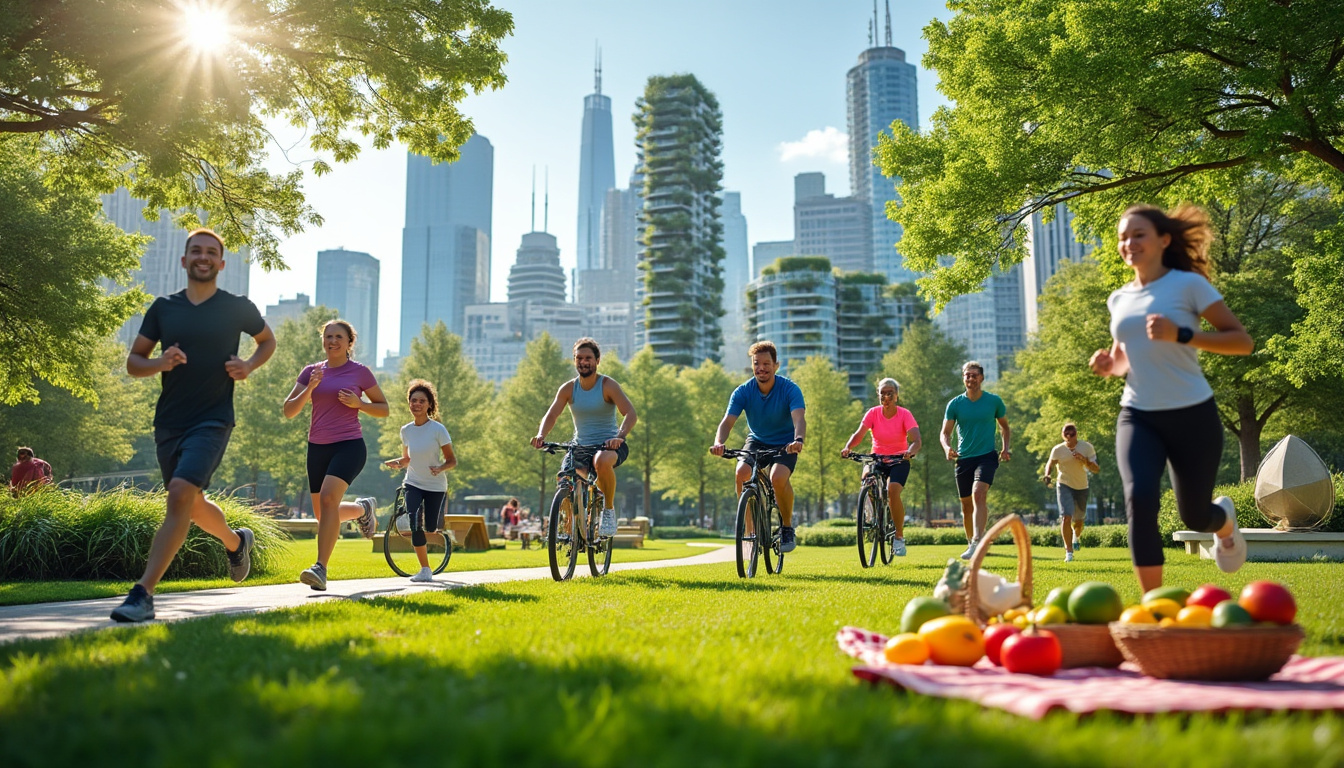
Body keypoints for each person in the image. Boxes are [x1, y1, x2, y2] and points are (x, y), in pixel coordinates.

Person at [111, 228, 276, 623]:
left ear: (221, 262)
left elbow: (267, 341)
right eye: (196, 251)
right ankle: (236, 543)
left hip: (213, 418)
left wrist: (248, 365)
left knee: (180, 492)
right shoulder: (164, 308)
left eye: (211, 252)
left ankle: (143, 594)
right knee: (190, 502)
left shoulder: (237, 307)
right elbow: (134, 362)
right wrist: (160, 363)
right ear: (184, 260)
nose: (204, 257)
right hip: (169, 421)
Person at [1089, 204, 1253, 592]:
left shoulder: (1188, 285)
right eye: (1123, 237)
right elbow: (1123, 360)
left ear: (1164, 240)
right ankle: (1155, 606)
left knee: (1195, 516)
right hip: (1137, 414)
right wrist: (1108, 365)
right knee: (1139, 498)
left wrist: (1182, 334)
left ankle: (1224, 522)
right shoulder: (1119, 299)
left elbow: (1241, 342)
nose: (1129, 243)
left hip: (1192, 414)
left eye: (1138, 235)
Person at [283, 319, 388, 590]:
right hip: (317, 448)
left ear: (349, 342)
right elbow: (289, 410)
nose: (332, 341)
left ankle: (320, 568)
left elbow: (383, 408)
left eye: (338, 336)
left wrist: (359, 404)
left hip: (349, 445)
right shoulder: (311, 372)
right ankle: (363, 509)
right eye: (328, 336)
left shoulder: (360, 373)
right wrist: (310, 388)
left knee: (329, 499)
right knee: (323, 515)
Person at [531, 338, 637, 536]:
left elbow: (630, 414)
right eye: (579, 358)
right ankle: (570, 528)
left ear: (597, 360)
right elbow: (552, 414)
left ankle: (608, 511)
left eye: (588, 358)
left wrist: (619, 437)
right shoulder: (568, 389)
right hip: (580, 446)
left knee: (601, 461)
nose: (583, 362)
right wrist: (541, 435)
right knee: (566, 478)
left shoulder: (607, 385)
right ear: (574, 361)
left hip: (609, 445)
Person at [710, 341, 807, 553]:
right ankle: (750, 531)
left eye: (766, 364)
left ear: (776, 365)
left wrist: (798, 440)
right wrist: (719, 443)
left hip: (786, 443)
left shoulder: (790, 389)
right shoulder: (743, 391)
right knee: (741, 473)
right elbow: (727, 422)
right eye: (756, 363)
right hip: (757, 440)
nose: (761, 368)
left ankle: (787, 527)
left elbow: (799, 419)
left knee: (777, 478)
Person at [383, 379, 456, 583]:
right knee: (414, 520)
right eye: (413, 400)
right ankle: (425, 569)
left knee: (430, 528)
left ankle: (439, 532)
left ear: (429, 404)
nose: (417, 404)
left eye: (421, 401)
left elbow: (452, 460)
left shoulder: (438, 429)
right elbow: (407, 458)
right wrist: (398, 463)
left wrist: (440, 468)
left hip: (435, 486)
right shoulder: (406, 430)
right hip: (413, 482)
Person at [841, 378, 922, 557]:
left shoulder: (904, 414)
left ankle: (898, 537)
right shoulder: (873, 413)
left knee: (893, 490)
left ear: (896, 395)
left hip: (899, 459)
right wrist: (848, 447)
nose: (886, 397)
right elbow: (859, 434)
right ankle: (871, 512)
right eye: (882, 393)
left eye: (890, 393)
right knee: (866, 478)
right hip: (877, 458)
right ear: (878, 395)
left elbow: (916, 440)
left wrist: (910, 451)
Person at [940, 361, 1011, 560]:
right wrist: (947, 448)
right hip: (964, 458)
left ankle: (978, 540)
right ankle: (971, 543)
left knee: (978, 494)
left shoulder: (994, 401)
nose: (970, 378)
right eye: (967, 375)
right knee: (966, 506)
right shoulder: (955, 404)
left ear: (981, 378)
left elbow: (1005, 427)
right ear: (963, 378)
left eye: (974, 375)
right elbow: (945, 433)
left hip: (986, 456)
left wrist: (1005, 448)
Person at [1042, 423, 1100, 562]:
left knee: (1079, 522)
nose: (1069, 436)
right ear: (1062, 435)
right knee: (1066, 517)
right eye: (1066, 433)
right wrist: (1047, 474)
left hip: (1081, 487)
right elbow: (1050, 463)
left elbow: (1096, 469)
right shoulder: (1058, 449)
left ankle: (1076, 536)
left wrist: (1084, 460)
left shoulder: (1086, 447)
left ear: (1076, 434)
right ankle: (1069, 552)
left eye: (1072, 433)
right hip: (1064, 485)